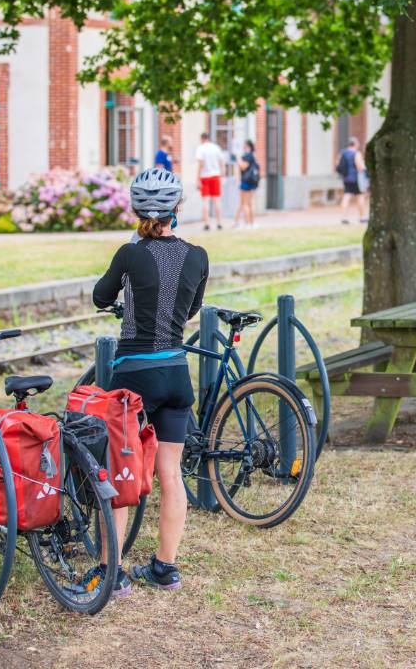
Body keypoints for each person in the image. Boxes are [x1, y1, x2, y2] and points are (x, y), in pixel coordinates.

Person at [90, 167, 209, 594]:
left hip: (134, 378)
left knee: (122, 472)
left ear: (136, 208)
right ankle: (165, 567)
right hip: (177, 373)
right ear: (177, 208)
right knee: (170, 473)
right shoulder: (197, 255)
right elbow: (192, 308)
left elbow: (101, 297)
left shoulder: (130, 253)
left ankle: (112, 572)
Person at [195, 131, 225, 231]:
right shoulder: (216, 148)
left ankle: (207, 224)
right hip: (216, 176)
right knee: (217, 200)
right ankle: (219, 223)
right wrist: (222, 176)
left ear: (202, 139)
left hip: (205, 177)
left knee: (205, 201)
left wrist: (197, 178)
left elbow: (201, 164)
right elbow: (222, 163)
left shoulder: (201, 148)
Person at [336, 137, 367, 224]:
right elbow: (360, 167)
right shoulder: (356, 153)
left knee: (346, 196)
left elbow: (337, 164)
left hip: (346, 178)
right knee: (360, 197)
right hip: (356, 179)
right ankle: (362, 217)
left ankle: (343, 217)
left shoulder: (342, 153)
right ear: (355, 144)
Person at [233, 140, 259, 229]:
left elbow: (243, 166)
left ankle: (248, 223)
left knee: (245, 203)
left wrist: (238, 158)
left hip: (246, 182)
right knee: (250, 203)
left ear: (247, 146)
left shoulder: (247, 156)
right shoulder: (253, 156)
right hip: (252, 182)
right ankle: (252, 223)